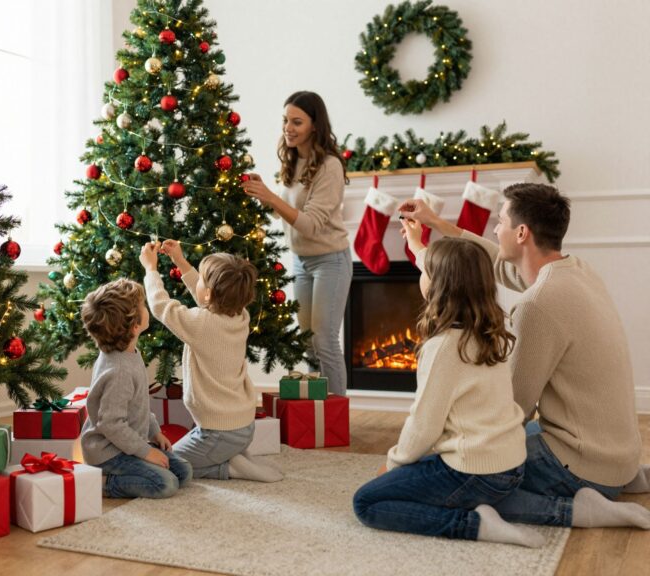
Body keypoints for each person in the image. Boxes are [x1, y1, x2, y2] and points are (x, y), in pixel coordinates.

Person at [397, 183, 650, 530]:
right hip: (614, 454)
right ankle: (619, 477)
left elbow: (512, 408)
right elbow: (494, 263)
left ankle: (582, 509)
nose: (494, 229)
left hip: (582, 467)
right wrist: (433, 227)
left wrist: (454, 449)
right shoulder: (576, 271)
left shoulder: (537, 305)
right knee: (479, 451)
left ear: (521, 233)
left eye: (500, 221)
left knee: (463, 477)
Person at [353, 229, 545, 547]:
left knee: (366, 502)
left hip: (474, 471)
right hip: (510, 464)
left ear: (439, 285)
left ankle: (474, 525)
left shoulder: (444, 347)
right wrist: (415, 241)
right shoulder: (490, 331)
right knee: (424, 470)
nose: (422, 273)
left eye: (426, 271)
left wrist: (394, 464)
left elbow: (424, 424)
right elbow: (438, 262)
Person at [139, 240, 283, 483]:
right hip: (242, 427)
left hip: (219, 434)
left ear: (208, 293)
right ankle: (228, 456)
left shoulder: (202, 324)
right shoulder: (240, 315)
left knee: (166, 464)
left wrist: (150, 269)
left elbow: (161, 306)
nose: (198, 282)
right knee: (173, 458)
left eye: (202, 280)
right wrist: (180, 261)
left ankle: (229, 468)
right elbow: (208, 297)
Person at [242, 90, 351, 396]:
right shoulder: (293, 159)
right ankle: (318, 407)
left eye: (297, 122)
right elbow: (286, 212)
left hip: (330, 260)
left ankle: (335, 411)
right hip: (301, 260)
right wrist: (261, 194)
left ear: (315, 125)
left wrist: (271, 197)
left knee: (325, 341)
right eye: (285, 120)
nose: (288, 128)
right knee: (308, 342)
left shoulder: (329, 166)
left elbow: (311, 225)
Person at [79, 278, 192, 499]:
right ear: (135, 326)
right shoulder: (119, 371)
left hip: (127, 444)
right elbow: (111, 424)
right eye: (143, 306)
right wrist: (145, 452)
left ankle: (136, 461)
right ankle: (101, 483)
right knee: (165, 484)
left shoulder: (129, 352)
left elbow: (139, 403)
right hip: (108, 453)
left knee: (183, 472)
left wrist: (154, 432)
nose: (147, 308)